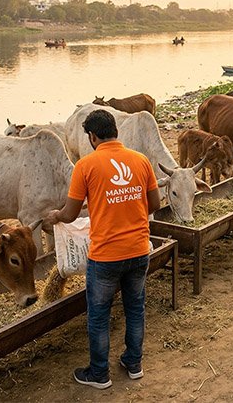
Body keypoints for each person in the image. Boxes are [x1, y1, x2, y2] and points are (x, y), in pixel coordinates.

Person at [46, 109, 161, 389]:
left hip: (106, 256)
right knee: (135, 309)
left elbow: (71, 214)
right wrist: (128, 206)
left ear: (93, 136)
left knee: (99, 315)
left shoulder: (86, 166)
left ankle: (99, 374)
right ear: (116, 132)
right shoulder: (140, 161)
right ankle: (133, 364)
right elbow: (155, 205)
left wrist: (56, 216)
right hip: (138, 251)